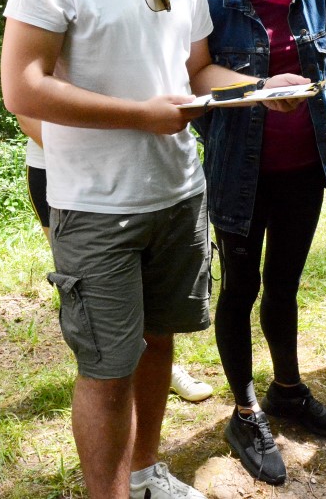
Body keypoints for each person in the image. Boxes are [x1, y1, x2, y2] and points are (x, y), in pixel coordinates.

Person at [0, 0, 305, 499]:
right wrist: (141, 117)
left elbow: (194, 74)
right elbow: (22, 85)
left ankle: (146, 474)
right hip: (95, 203)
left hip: (176, 193)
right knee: (107, 369)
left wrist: (260, 88)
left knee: (159, 342)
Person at [198, 0, 326, 485]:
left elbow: (325, 66)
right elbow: (198, 75)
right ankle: (245, 409)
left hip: (303, 167)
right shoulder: (213, 0)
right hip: (238, 171)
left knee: (284, 285)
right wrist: (260, 90)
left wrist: (301, 90)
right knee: (240, 288)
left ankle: (286, 389)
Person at [15, 115, 213, 402]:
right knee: (95, 295)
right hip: (63, 176)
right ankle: (109, 372)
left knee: (151, 302)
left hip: (145, 173)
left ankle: (161, 370)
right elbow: (26, 112)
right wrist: (98, 162)